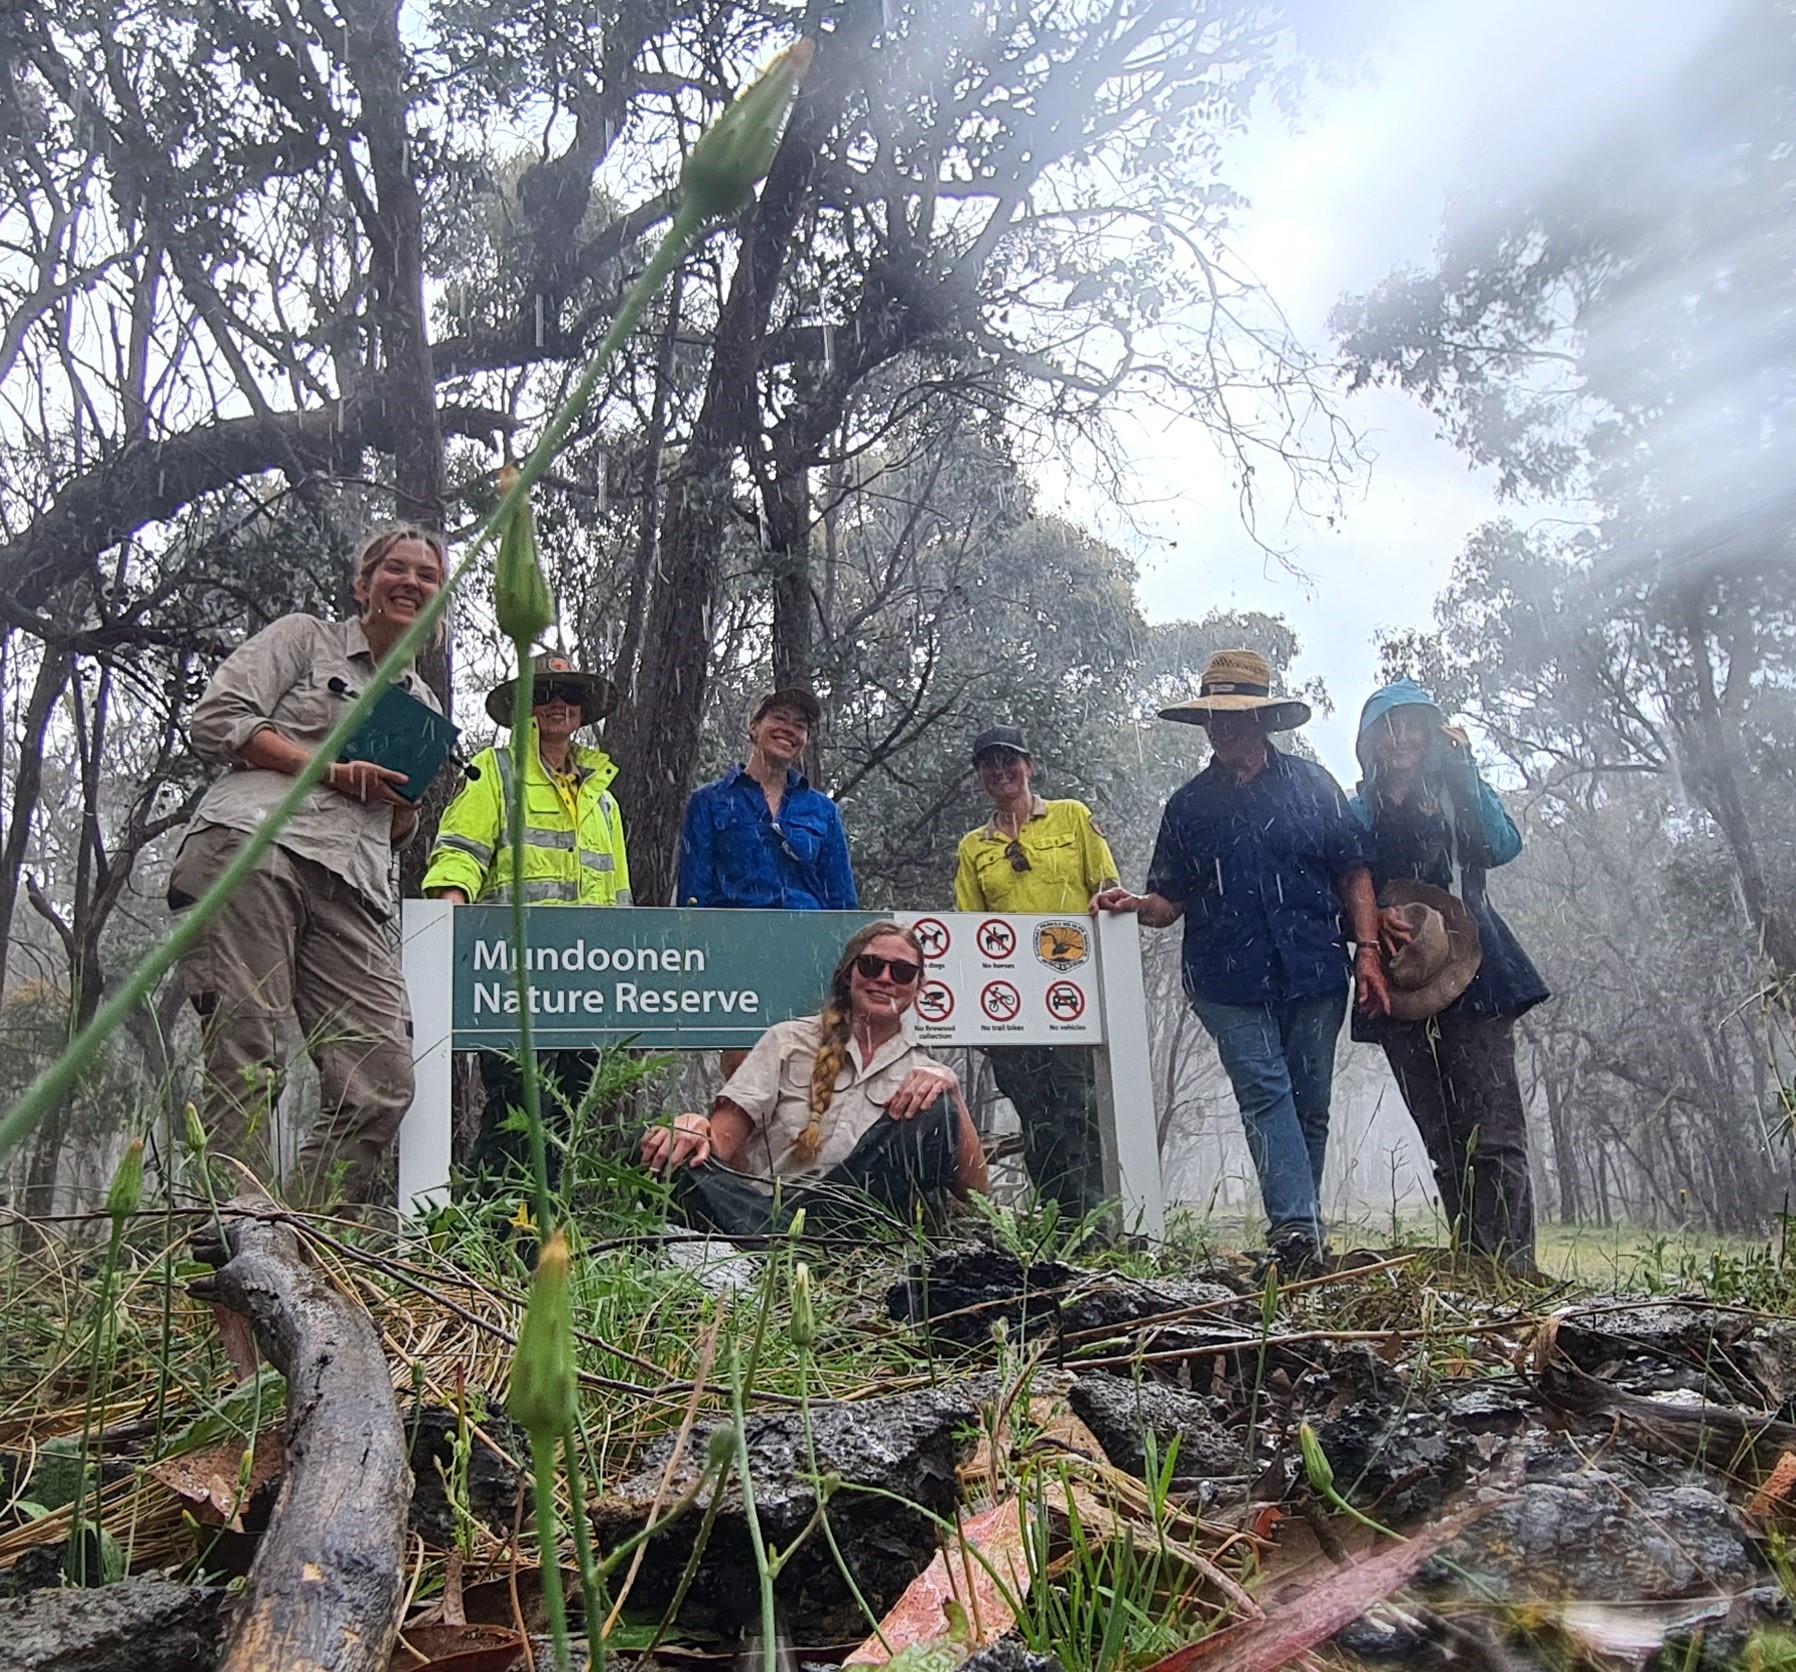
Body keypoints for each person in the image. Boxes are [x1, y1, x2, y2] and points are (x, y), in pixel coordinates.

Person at [167, 525, 447, 1207]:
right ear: (363, 585)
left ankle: (299, 1253)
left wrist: (400, 803)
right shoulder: (304, 640)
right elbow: (215, 719)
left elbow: (393, 827)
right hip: (255, 845)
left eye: (428, 577)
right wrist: (329, 768)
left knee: (381, 1080)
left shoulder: (425, 708)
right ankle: (234, 1263)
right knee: (248, 1060)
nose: (412, 583)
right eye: (396, 569)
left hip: (352, 887)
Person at [1093, 649, 1390, 1272]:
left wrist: (1367, 951)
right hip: (1225, 980)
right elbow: (1168, 902)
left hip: (1313, 971)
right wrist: (1132, 905)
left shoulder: (1314, 788)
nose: (1224, 729)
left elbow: (1353, 873)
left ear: (1263, 720)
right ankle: (1296, 1229)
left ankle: (1298, 1246)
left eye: (1237, 717)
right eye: (1214, 719)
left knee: (1310, 1103)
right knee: (1265, 1091)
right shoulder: (1189, 807)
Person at [1349, 679, 1549, 1275]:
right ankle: (1473, 1263)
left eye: (1413, 725)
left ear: (1430, 732)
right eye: (1389, 728)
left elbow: (1503, 844)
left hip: (1478, 970)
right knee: (1442, 1137)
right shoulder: (1360, 810)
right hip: (1399, 979)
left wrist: (1464, 770)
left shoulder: (1457, 791)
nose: (1402, 738)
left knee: (1492, 1132)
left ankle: (1514, 1268)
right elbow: (1340, 877)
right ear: (1371, 742)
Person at [421, 652, 632, 1187]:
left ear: (583, 710)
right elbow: (459, 852)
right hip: (511, 979)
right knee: (516, 1110)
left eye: (568, 694)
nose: (557, 703)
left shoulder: (602, 799)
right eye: (542, 694)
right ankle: (481, 1229)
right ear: (523, 709)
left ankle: (541, 1237)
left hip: (586, 985)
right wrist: (449, 922)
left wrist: (627, 978)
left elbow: (620, 896)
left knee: (566, 1117)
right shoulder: (495, 771)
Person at [641, 922, 989, 1231]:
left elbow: (976, 1198)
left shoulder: (927, 1075)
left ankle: (778, 1242)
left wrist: (953, 1096)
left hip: (862, 1218)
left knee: (938, 1108)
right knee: (660, 1150)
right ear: (848, 975)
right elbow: (718, 1145)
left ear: (918, 987)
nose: (885, 978)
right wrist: (691, 1128)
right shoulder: (786, 1041)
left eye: (901, 972)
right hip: (761, 1208)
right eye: (871, 965)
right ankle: (776, 1238)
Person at [953, 724, 1119, 1220]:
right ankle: (1054, 1224)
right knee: (1038, 1120)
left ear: (1029, 765)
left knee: (1080, 1111)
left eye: (1010, 760)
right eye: (989, 764)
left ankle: (1096, 1223)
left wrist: (1105, 903)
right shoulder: (973, 848)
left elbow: (1108, 888)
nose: (1001, 770)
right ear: (980, 776)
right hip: (1012, 1006)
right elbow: (969, 933)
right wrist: (980, 1017)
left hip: (1073, 995)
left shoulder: (1072, 818)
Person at [678, 688, 857, 912]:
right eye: (779, 718)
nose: (789, 729)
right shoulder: (709, 802)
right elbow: (693, 893)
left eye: (800, 726)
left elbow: (843, 900)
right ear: (754, 727)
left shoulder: (823, 810)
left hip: (807, 939)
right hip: (731, 938)